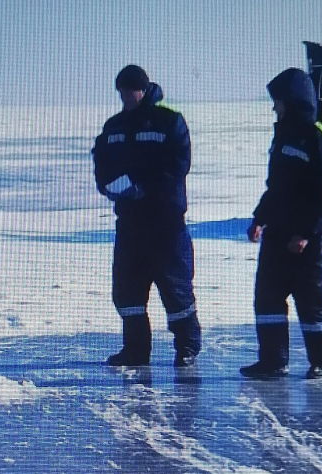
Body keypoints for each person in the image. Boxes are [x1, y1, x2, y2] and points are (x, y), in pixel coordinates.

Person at [92, 65, 202, 367]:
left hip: (165, 223)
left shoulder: (169, 121)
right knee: (127, 291)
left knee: (175, 288)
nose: (126, 97)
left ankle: (187, 347)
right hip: (130, 223)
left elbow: (178, 165)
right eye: (122, 92)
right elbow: (102, 163)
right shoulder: (114, 126)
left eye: (131, 91)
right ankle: (135, 350)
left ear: (144, 89)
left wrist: (144, 187)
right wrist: (111, 187)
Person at [240, 68, 322, 380]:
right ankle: (273, 361)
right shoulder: (282, 136)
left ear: (293, 101)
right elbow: (275, 187)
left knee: (311, 303)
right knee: (267, 299)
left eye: (278, 101)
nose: (275, 107)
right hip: (276, 233)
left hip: (304, 241)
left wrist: (307, 234)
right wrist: (259, 218)